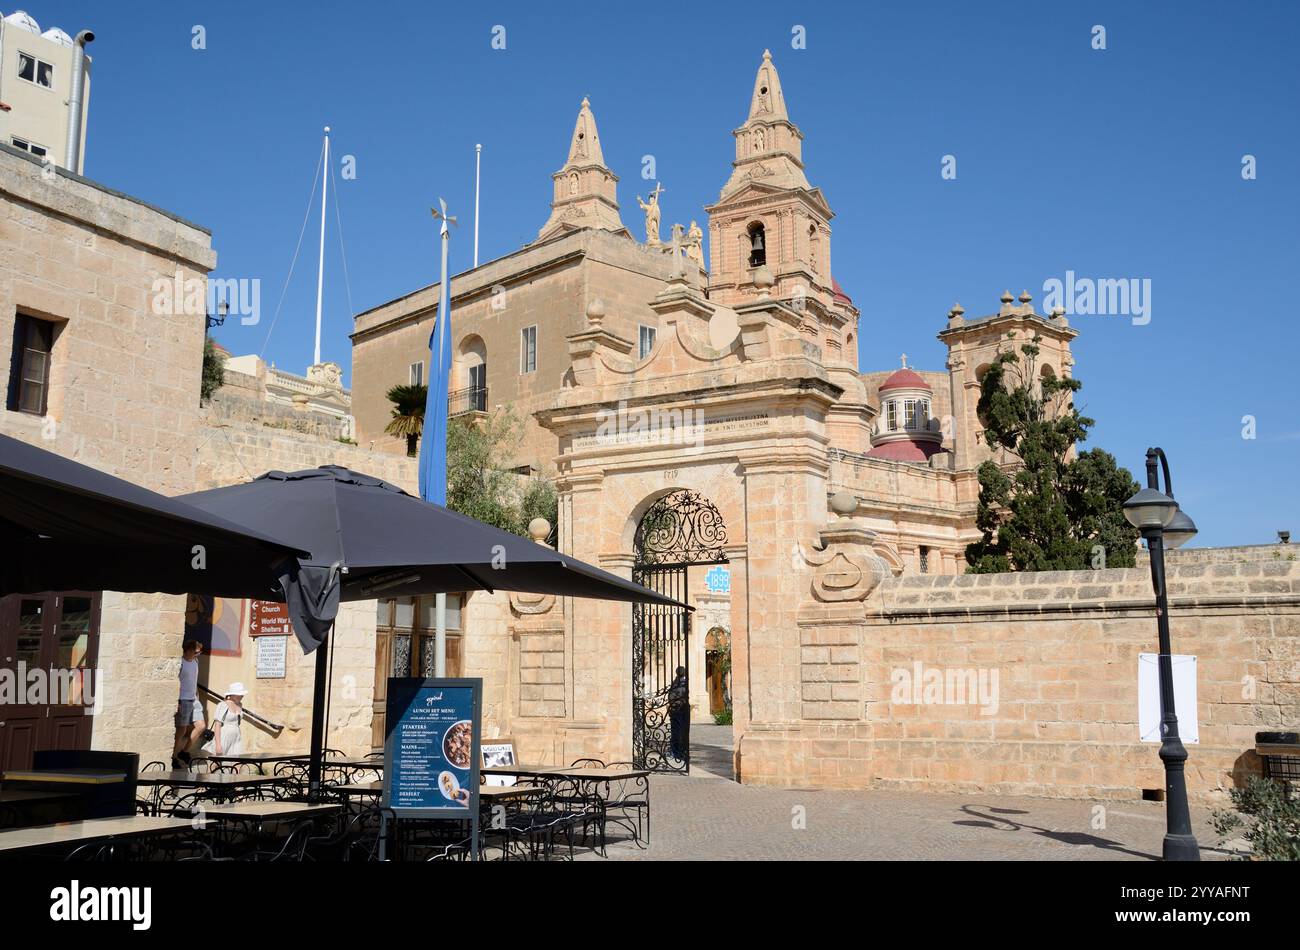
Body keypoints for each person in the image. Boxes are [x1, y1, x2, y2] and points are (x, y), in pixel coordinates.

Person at [172, 639, 205, 769]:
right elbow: (175, 682)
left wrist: (197, 695)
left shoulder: (195, 661)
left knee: (201, 726)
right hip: (183, 699)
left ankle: (183, 751)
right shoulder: (181, 663)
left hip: (193, 699)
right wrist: (177, 700)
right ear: (189, 650)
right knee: (182, 730)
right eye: (196, 652)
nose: (198, 654)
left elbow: (194, 680)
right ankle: (173, 756)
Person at [202, 684, 247, 757]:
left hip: (236, 736)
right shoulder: (223, 705)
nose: (241, 696)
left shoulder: (240, 704)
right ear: (232, 694)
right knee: (216, 763)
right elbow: (217, 725)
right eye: (239, 694)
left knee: (238, 763)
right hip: (224, 736)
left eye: (242, 694)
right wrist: (218, 745)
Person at [667, 666, 690, 762]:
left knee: (679, 732)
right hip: (679, 710)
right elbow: (673, 696)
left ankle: (680, 752)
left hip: (679, 710)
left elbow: (672, 696)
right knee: (678, 732)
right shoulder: (679, 683)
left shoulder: (677, 682)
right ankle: (678, 752)